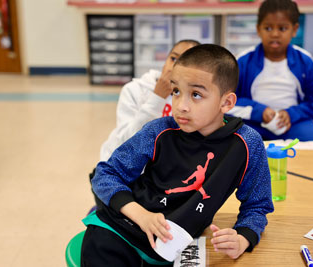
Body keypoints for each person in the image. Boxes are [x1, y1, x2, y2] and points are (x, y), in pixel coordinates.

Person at [81, 44, 274, 266]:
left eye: (196, 94)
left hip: (176, 246)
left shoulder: (247, 144)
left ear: (226, 102)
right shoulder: (159, 130)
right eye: (176, 91)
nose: (181, 106)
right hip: (119, 231)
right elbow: (105, 174)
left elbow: (257, 205)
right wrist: (141, 215)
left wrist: (244, 237)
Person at [228, 0, 313, 141]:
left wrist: (291, 114)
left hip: (294, 123)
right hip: (252, 123)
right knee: (231, 147)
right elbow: (228, 100)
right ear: (258, 29)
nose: (275, 34)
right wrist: (259, 111)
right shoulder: (244, 61)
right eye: (268, 28)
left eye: (282, 28)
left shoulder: (305, 61)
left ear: (294, 30)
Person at [99, 39, 201, 163]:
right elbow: (127, 142)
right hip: (121, 163)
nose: (175, 67)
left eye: (186, 64)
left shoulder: (196, 100)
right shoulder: (135, 90)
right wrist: (157, 97)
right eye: (173, 59)